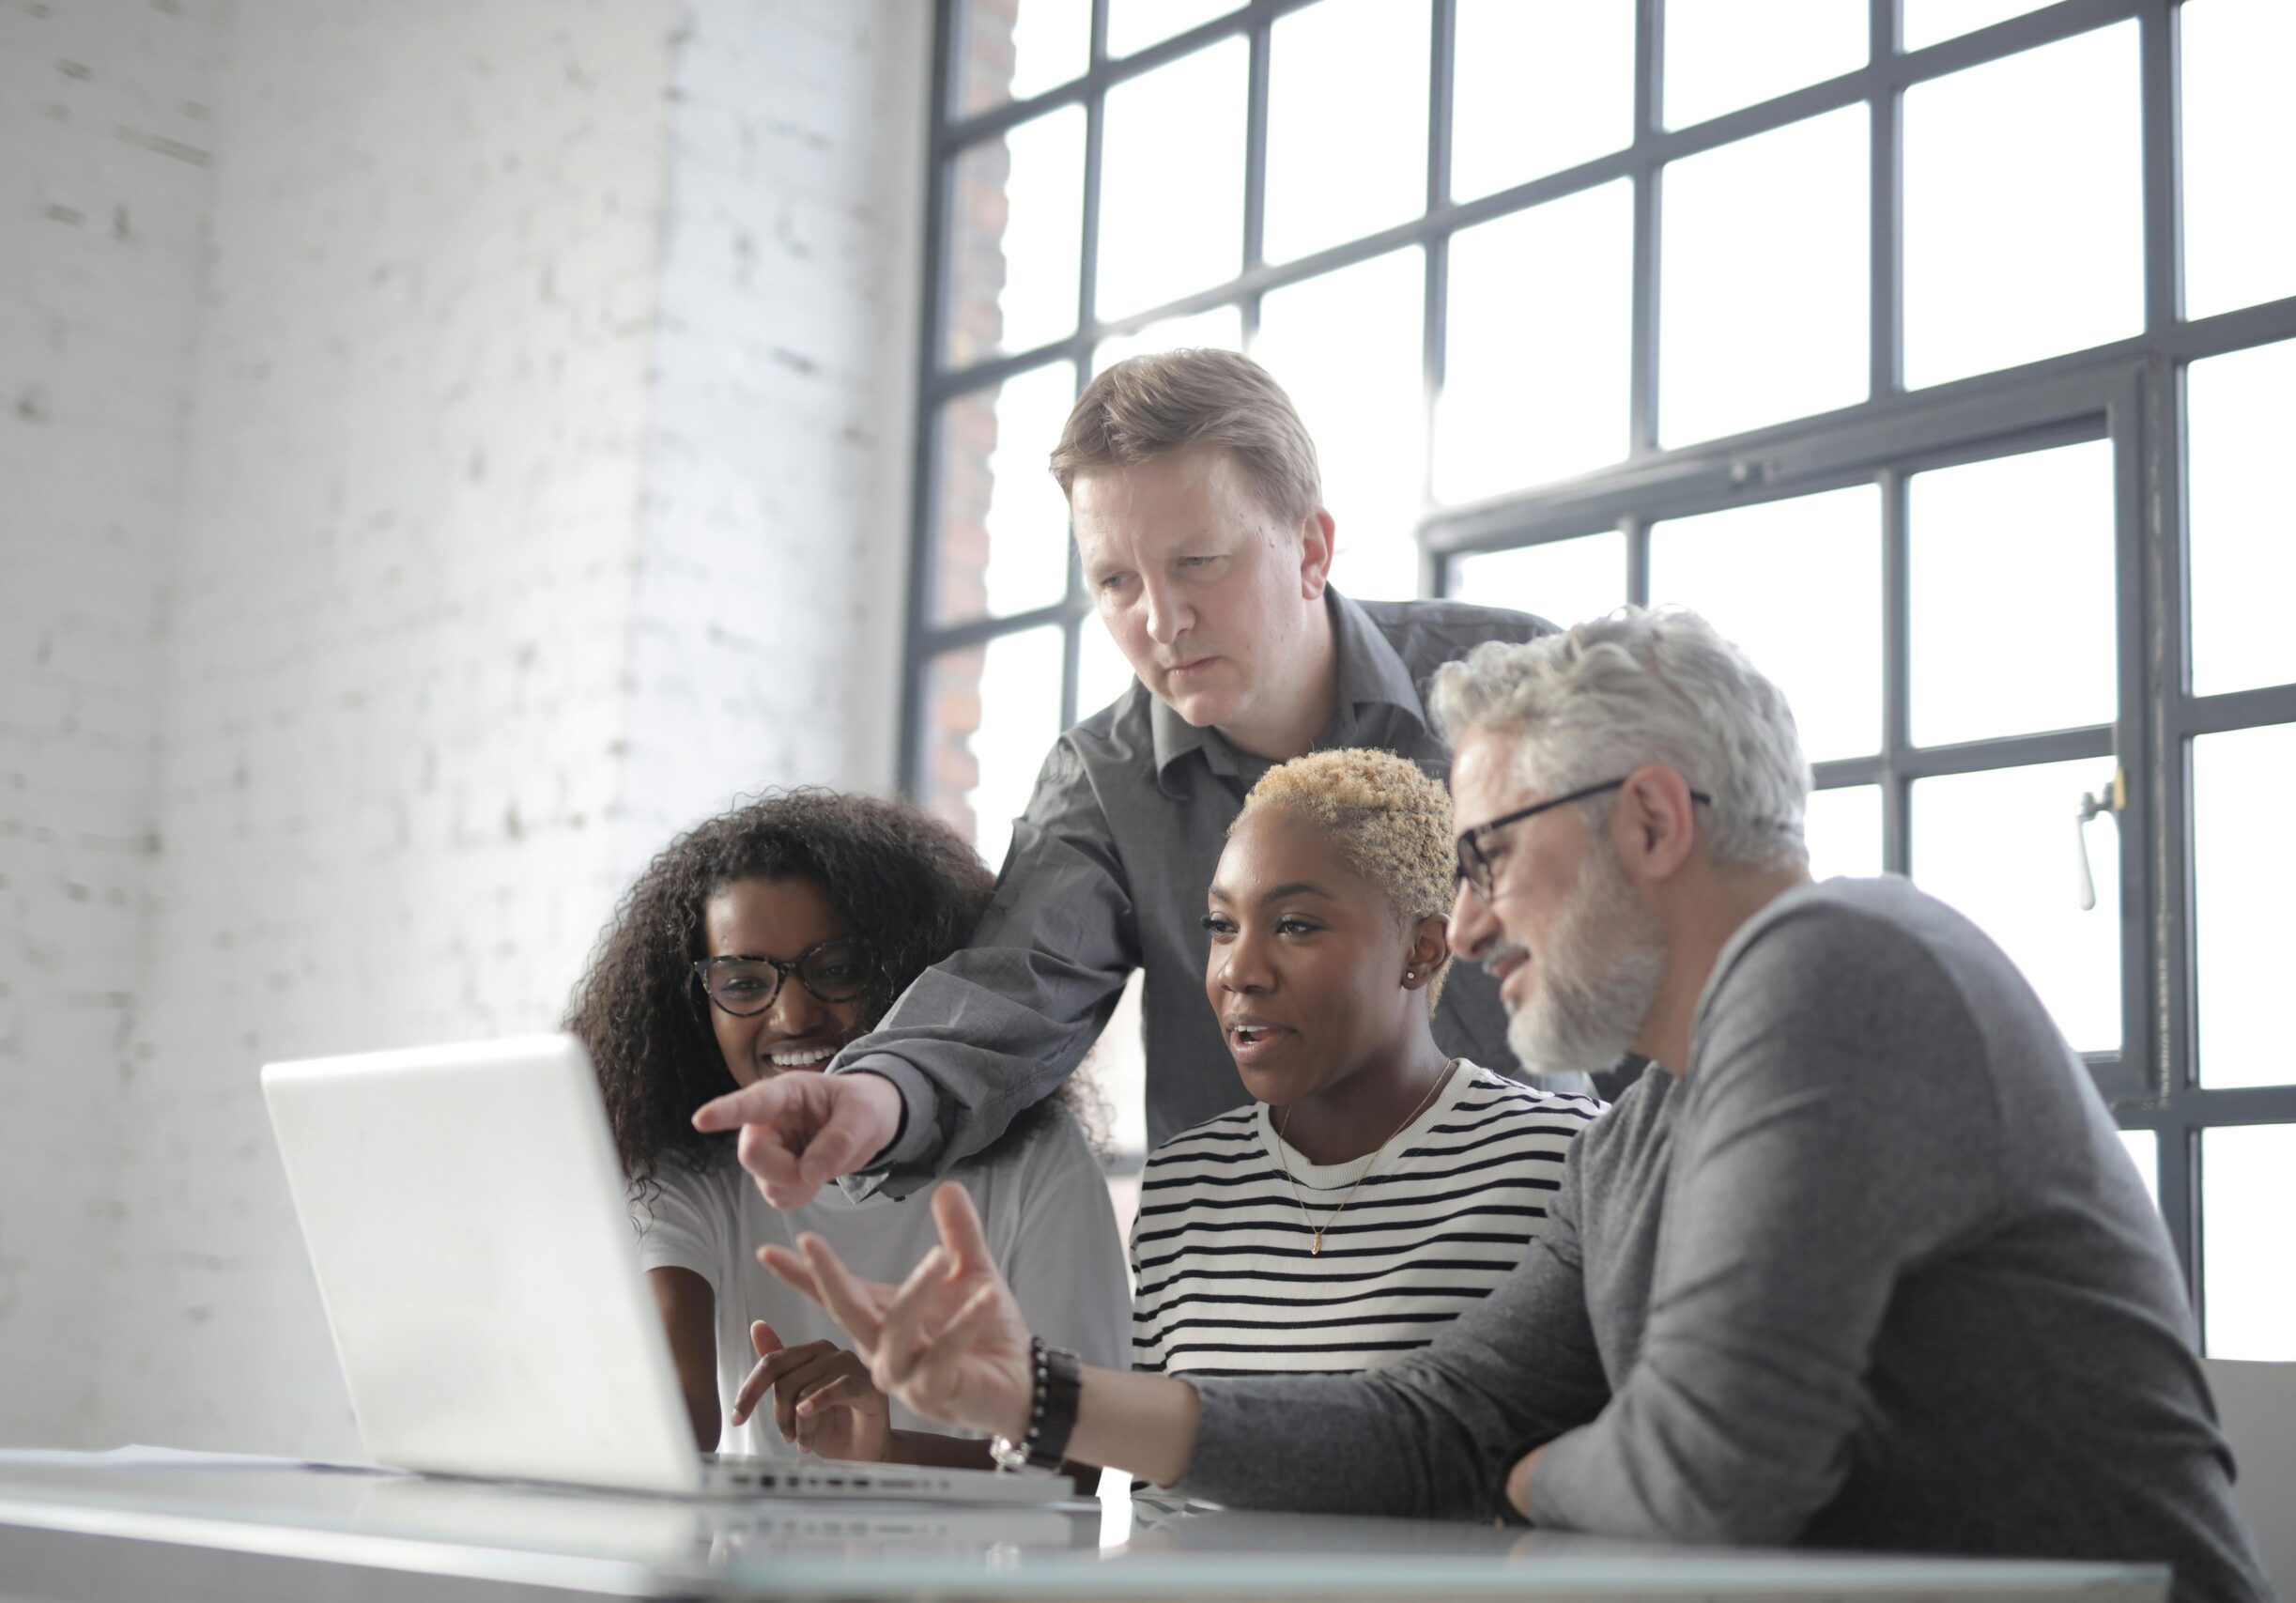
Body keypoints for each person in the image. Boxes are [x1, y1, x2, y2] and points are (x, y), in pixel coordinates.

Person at [754, 612, 2272, 1603]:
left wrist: (1534, 1472)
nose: (1464, 922)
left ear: (1656, 819)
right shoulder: (1641, 1132)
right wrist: (1037, 1394)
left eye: (1486, 857)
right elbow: (1438, 1427)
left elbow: (1699, 1482)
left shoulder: (1840, 968)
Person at [694, 350, 1561, 1212]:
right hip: (1264, 1282)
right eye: (1116, 581)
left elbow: (1654, 938)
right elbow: (1017, 983)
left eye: (1198, 563)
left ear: (1310, 548)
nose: (1162, 621)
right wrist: (875, 1093)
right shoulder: (1102, 781)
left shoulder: (1515, 680)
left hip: (1543, 1238)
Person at [562, 789, 1130, 1478]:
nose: (793, 1014)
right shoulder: (691, 1164)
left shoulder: (1039, 1161)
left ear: (911, 970)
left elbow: (1078, 1462)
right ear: (697, 1006)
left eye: (836, 970)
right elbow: (674, 1414)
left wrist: (887, 1450)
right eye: (743, 983)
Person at [1133, 748, 1594, 1382]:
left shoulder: (1564, 1162)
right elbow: (1161, 1481)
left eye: (1294, 925)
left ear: (1423, 948)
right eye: (1222, 924)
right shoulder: (1182, 1188)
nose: (1239, 970)